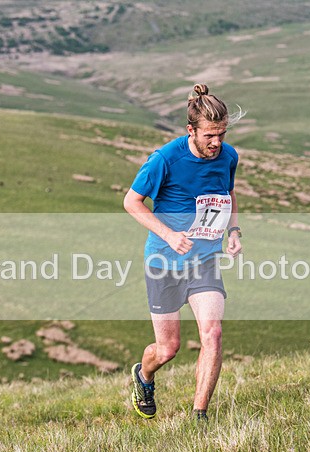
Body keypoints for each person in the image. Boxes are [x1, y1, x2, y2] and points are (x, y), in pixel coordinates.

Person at [123, 83, 243, 422]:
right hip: (164, 261)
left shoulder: (228, 156)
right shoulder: (165, 159)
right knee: (168, 349)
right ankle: (144, 375)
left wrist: (234, 231)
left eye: (221, 134)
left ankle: (199, 416)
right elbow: (131, 202)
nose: (217, 142)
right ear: (191, 131)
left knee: (213, 334)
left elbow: (228, 193)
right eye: (209, 135)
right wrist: (169, 234)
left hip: (205, 259)